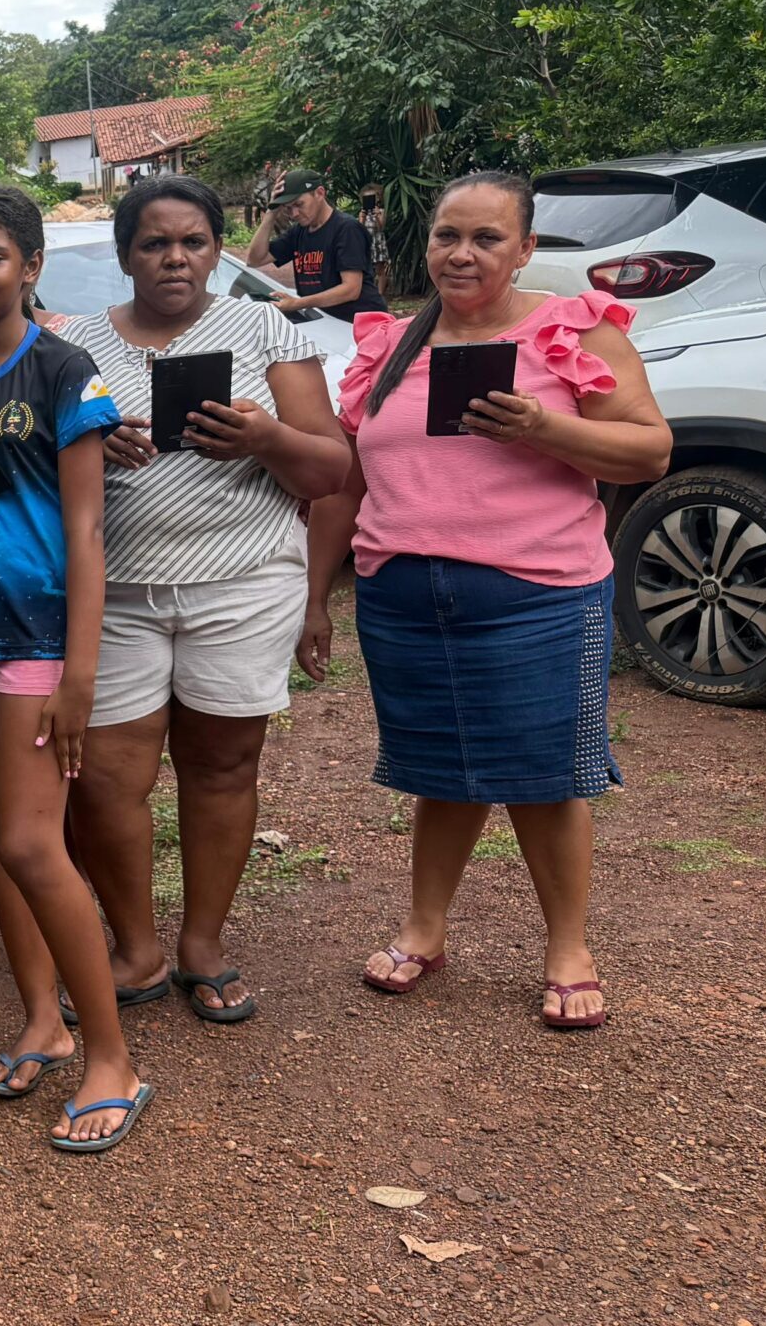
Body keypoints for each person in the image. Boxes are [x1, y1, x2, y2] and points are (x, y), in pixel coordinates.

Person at [303, 172, 669, 1029]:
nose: (461, 254)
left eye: (487, 238)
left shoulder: (570, 330)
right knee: (440, 772)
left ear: (526, 248)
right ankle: (425, 929)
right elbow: (348, 482)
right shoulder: (389, 343)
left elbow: (650, 451)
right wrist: (315, 596)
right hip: (402, 600)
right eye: (447, 236)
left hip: (539, 595)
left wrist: (545, 428)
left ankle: (569, 949)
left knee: (548, 779)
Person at [60, 176, 352, 1023]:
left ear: (219, 250)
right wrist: (91, 448)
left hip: (243, 582)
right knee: (107, 780)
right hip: (116, 590)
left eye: (193, 242)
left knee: (222, 766)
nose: (175, 258)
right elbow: (46, 475)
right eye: (154, 243)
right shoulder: (76, 347)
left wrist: (264, 437)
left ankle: (203, 944)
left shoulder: (265, 329)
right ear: (125, 256)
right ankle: (135, 947)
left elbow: (332, 468)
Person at [0, 183, 150, 1155]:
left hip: (37, 641)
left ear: (30, 267)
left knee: (33, 844)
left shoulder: (61, 367)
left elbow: (87, 529)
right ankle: (43, 1025)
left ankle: (112, 1061)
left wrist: (79, 672)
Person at [244, 170, 384, 321]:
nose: (294, 214)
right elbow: (254, 260)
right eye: (288, 208)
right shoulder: (298, 232)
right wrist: (271, 212)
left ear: (319, 193)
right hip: (324, 321)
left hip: (359, 323)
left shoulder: (347, 229)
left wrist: (297, 303)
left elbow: (351, 289)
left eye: (299, 204)